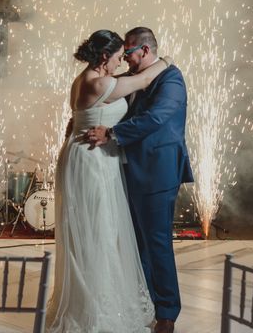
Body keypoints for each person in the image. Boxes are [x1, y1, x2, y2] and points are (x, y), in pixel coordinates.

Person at [46, 29, 172, 333]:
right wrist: (165, 61)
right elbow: (142, 80)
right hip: (92, 161)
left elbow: (78, 119)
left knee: (100, 230)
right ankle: (95, 310)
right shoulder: (100, 82)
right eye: (118, 58)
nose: (121, 63)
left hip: (88, 156)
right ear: (104, 57)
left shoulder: (83, 79)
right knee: (98, 231)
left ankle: (97, 299)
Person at [86, 27, 194, 333]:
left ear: (144, 51)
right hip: (128, 169)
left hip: (158, 172)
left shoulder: (171, 78)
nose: (125, 61)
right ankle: (143, 303)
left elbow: (156, 117)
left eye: (129, 54)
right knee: (135, 243)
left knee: (157, 243)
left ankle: (167, 313)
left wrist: (112, 133)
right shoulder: (132, 78)